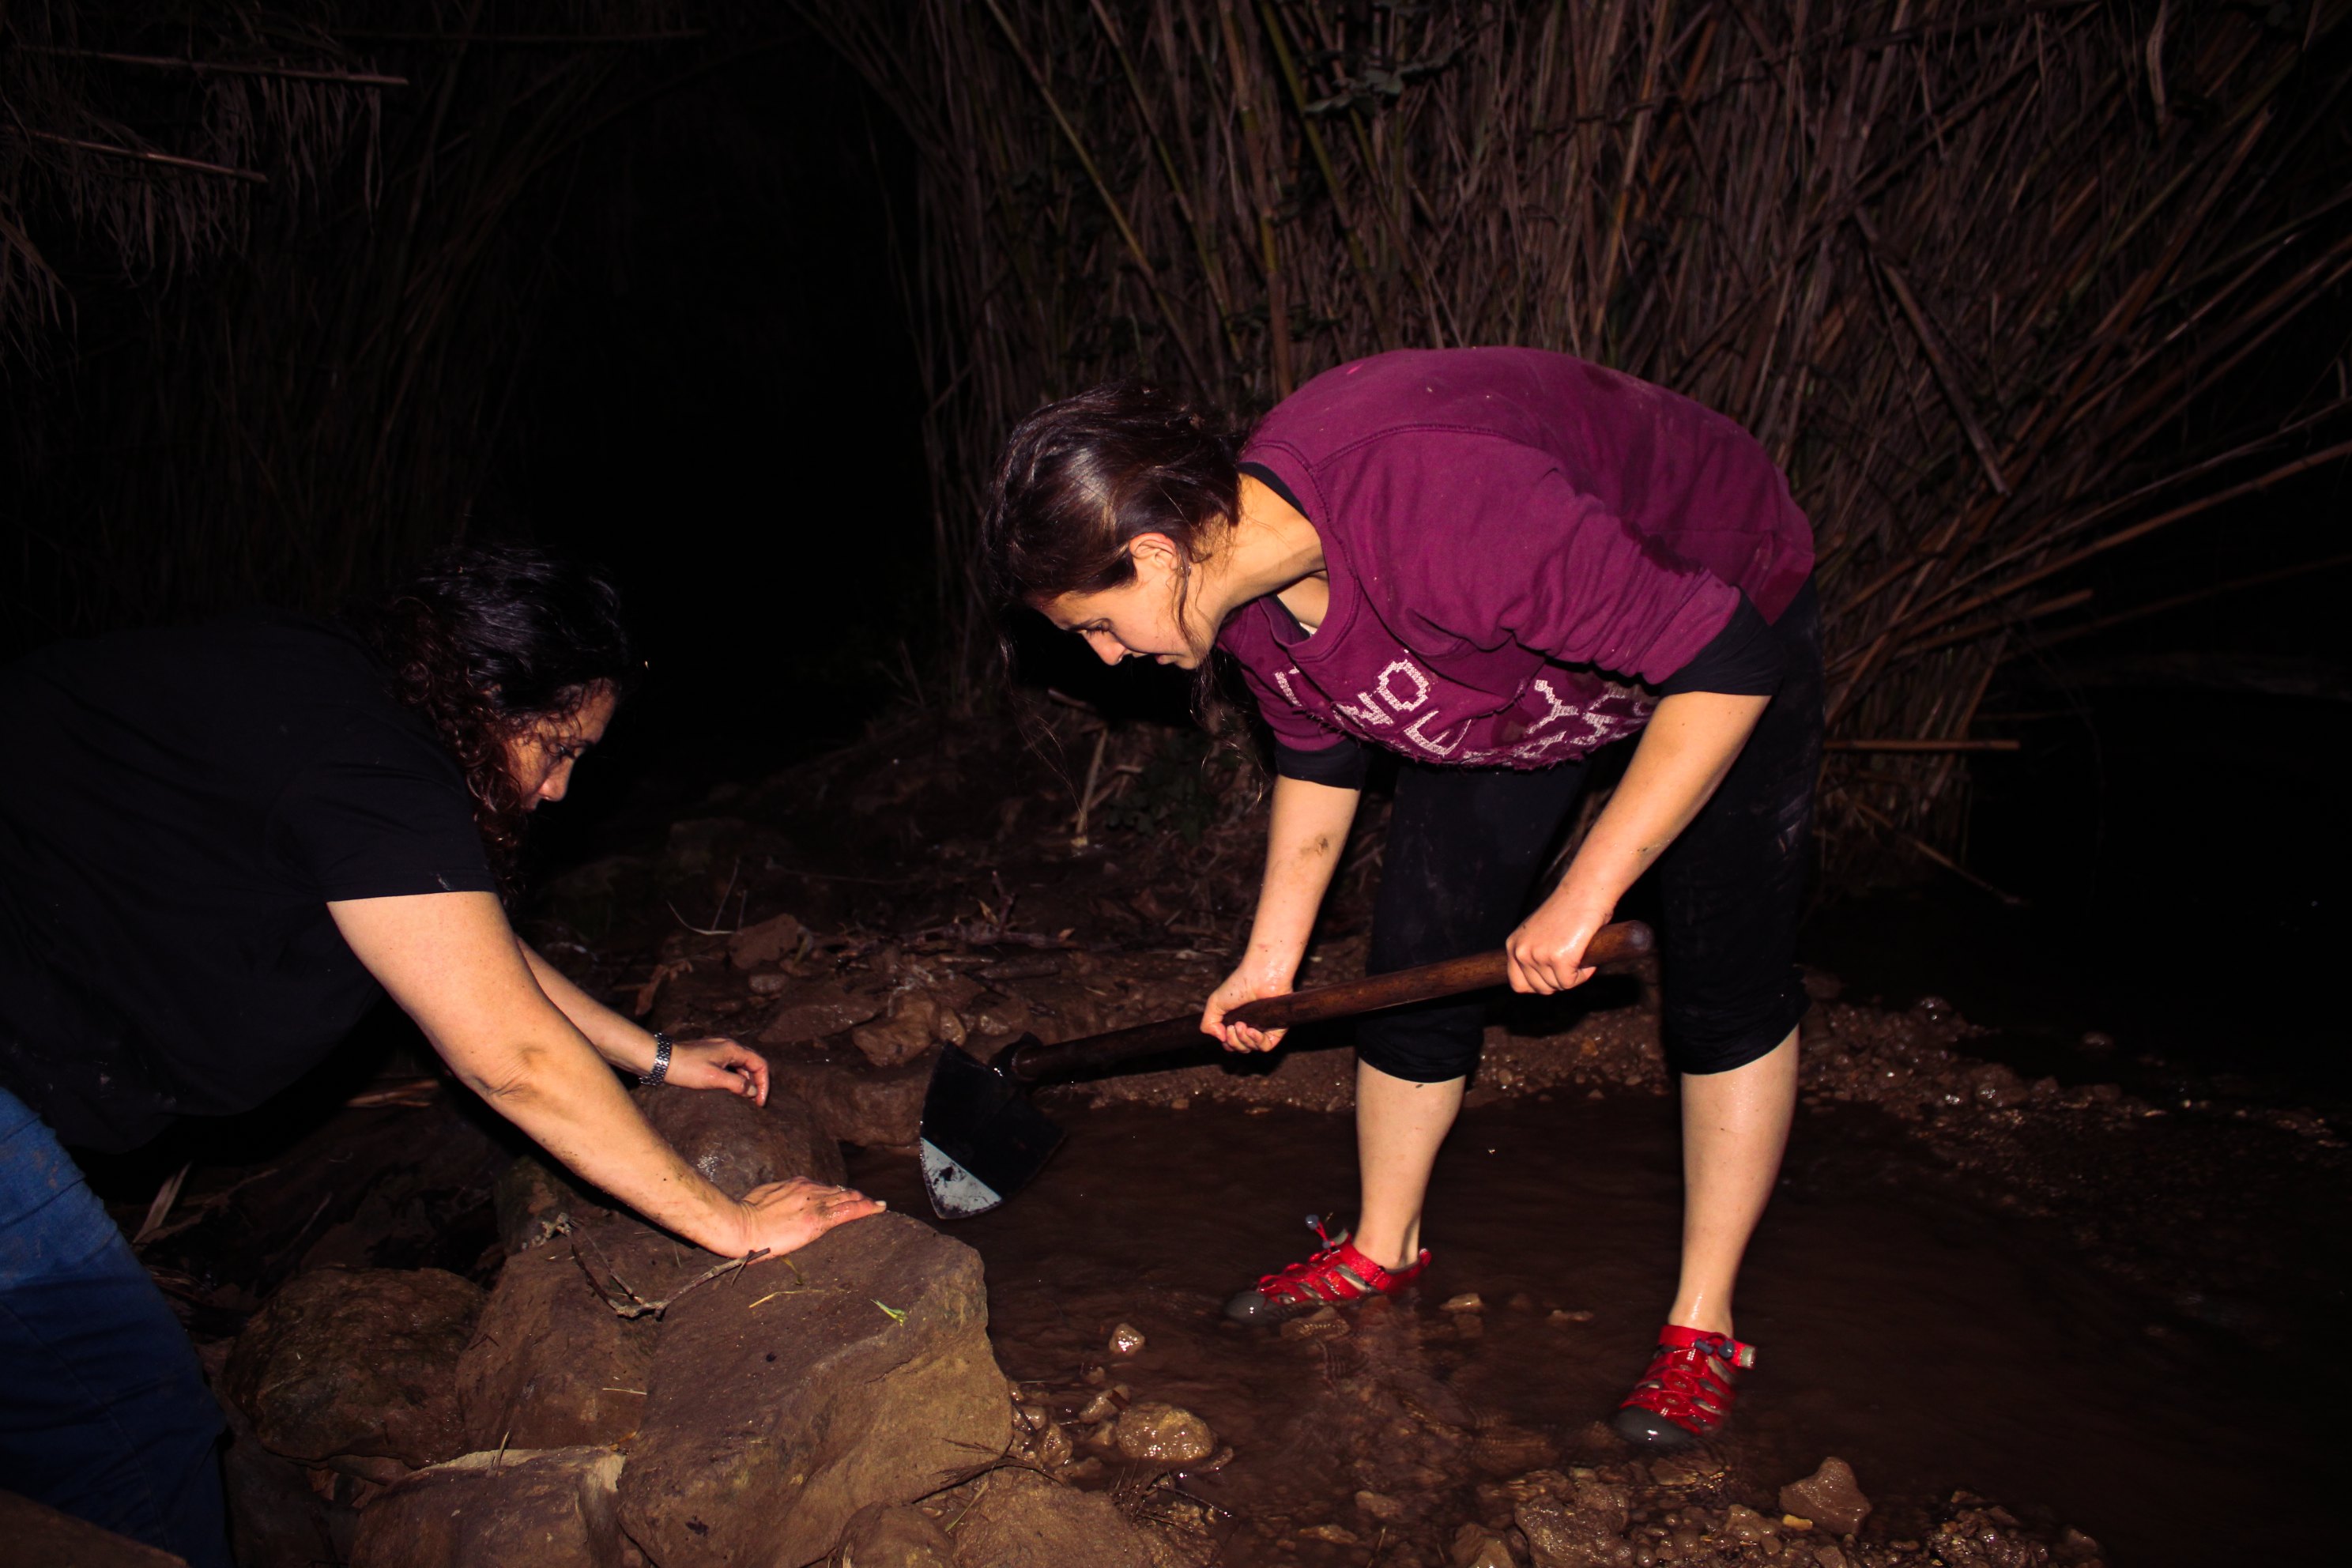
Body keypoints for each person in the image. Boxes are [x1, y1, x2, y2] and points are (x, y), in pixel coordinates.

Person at [983, 349, 1819, 1450]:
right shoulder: (1238, 596)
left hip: (1722, 623)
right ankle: (1384, 1242)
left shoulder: (1439, 513)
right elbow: (1320, 751)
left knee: (1724, 972)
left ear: (1152, 553)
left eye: (1096, 624)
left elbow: (1721, 659)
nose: (1105, 657)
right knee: (1420, 942)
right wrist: (1270, 959)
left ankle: (1700, 1327)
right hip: (1514, 673)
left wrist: (1587, 887)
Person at [0, 546, 884, 1565]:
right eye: (557, 748)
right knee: (125, 1428)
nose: (558, 791)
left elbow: (455, 945)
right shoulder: (370, 758)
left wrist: (657, 1055)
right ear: (484, 697)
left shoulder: (345, 685)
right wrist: (733, 1227)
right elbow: (505, 1052)